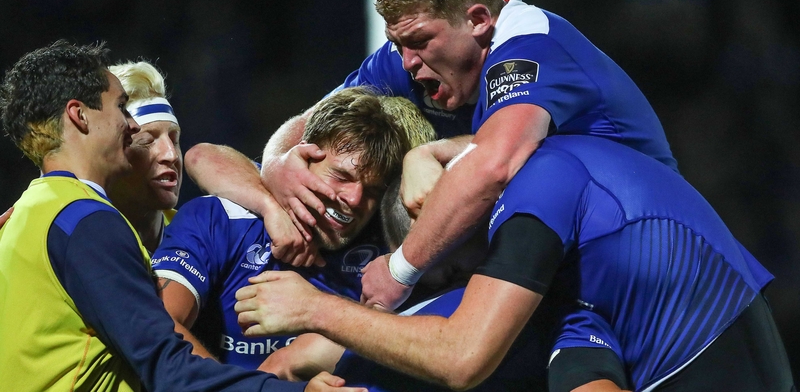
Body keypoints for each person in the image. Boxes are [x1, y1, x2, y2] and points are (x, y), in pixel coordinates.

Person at [187, 0, 678, 310]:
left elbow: (496, 164)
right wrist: (277, 168)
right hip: (565, 263)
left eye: (420, 42)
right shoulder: (406, 61)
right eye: (400, 45)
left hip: (644, 248)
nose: (409, 63)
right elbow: (308, 127)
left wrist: (400, 268)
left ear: (479, 19)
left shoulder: (530, 45)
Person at [235, 134, 795, 392]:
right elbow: (289, 364)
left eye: (444, 274)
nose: (456, 291)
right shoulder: (565, 294)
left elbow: (460, 358)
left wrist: (313, 308)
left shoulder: (542, 248)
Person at [0, 40, 362, 392]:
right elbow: (168, 366)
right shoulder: (87, 221)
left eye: (174, 138)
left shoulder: (30, 215)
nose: (130, 126)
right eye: (122, 109)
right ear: (79, 115)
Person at [153, 88, 429, 368]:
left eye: (372, 190)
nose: (355, 199)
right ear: (303, 159)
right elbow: (158, 328)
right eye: (340, 176)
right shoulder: (219, 218)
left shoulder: (388, 255)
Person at [260, 178, 551, 391]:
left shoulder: (539, 288)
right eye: (413, 271)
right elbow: (279, 367)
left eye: (451, 267)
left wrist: (316, 308)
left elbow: (459, 358)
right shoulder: (379, 322)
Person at [107, 61, 182, 252]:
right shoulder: (73, 236)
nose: (171, 155)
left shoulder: (199, 238)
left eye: (174, 140)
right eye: (147, 140)